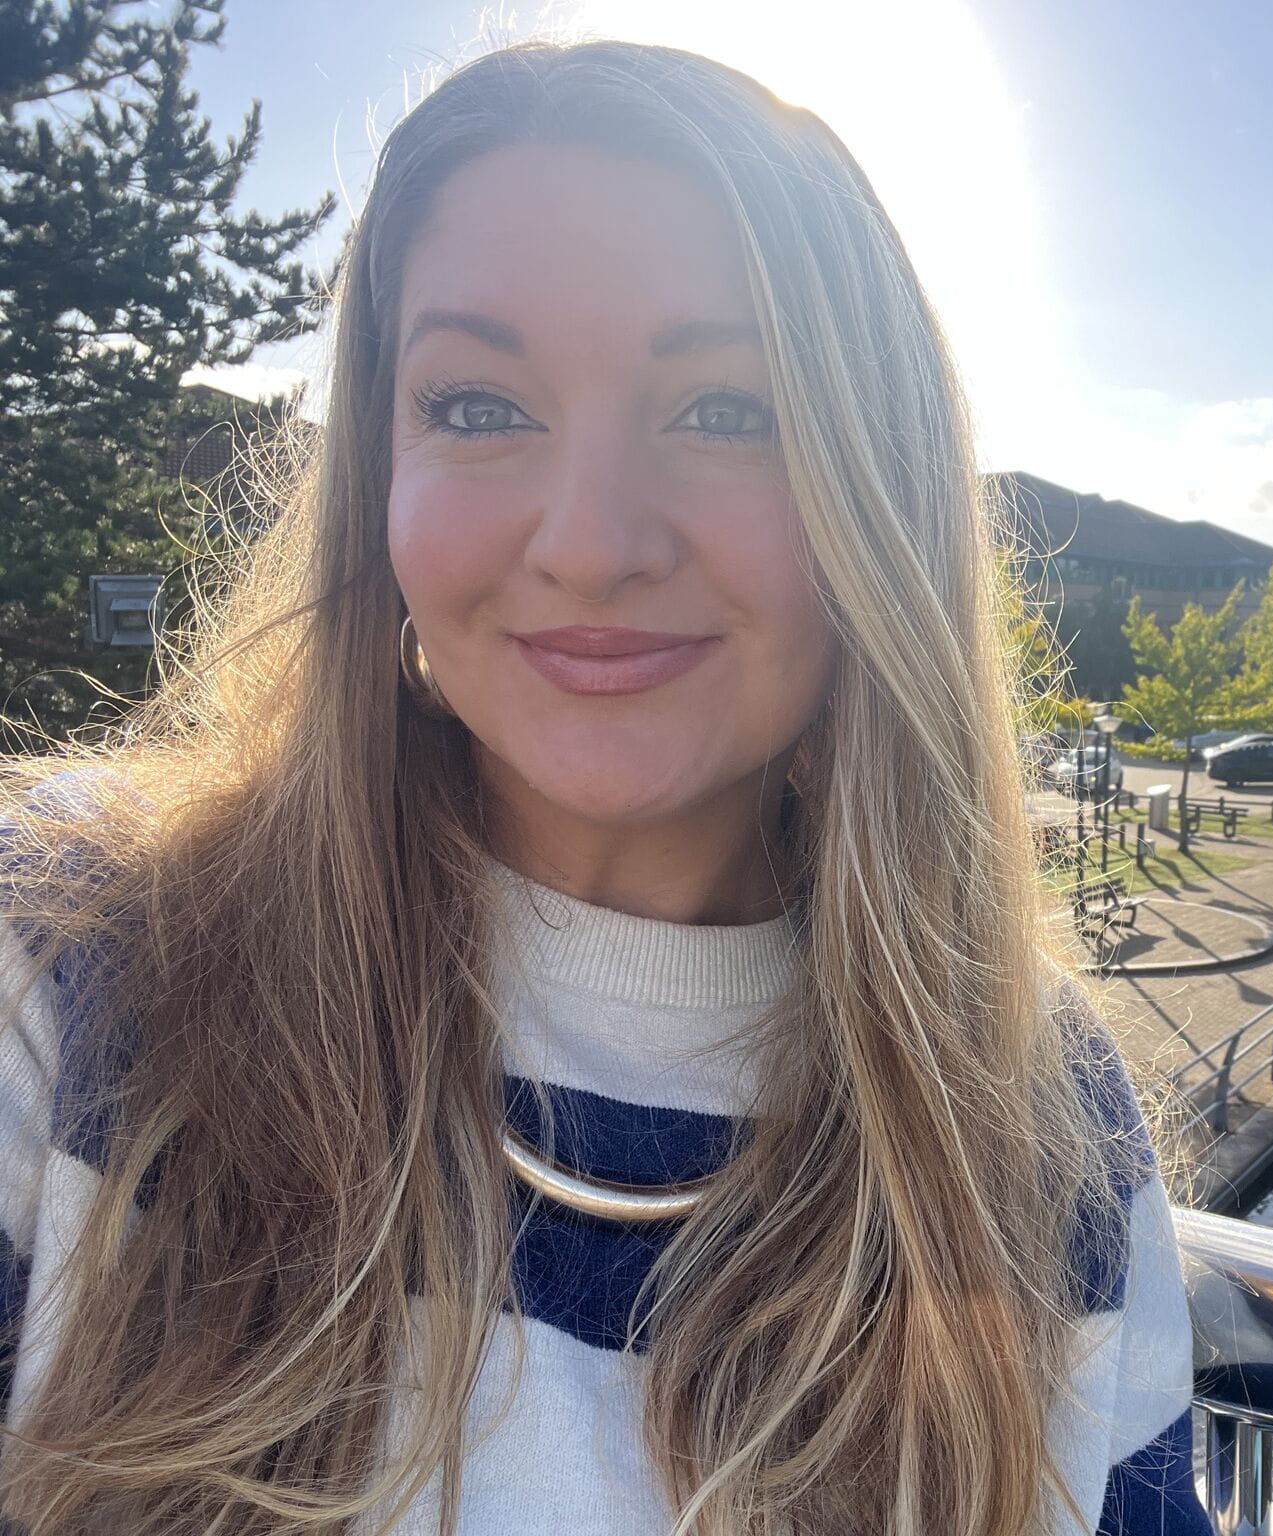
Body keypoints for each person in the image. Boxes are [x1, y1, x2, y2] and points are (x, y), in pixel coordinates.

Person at [0, 40, 1207, 1535]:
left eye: (725, 411)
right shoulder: (69, 963)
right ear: (381, 470)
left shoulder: (1031, 1115)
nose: (590, 542)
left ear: (873, 494)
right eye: (479, 406)